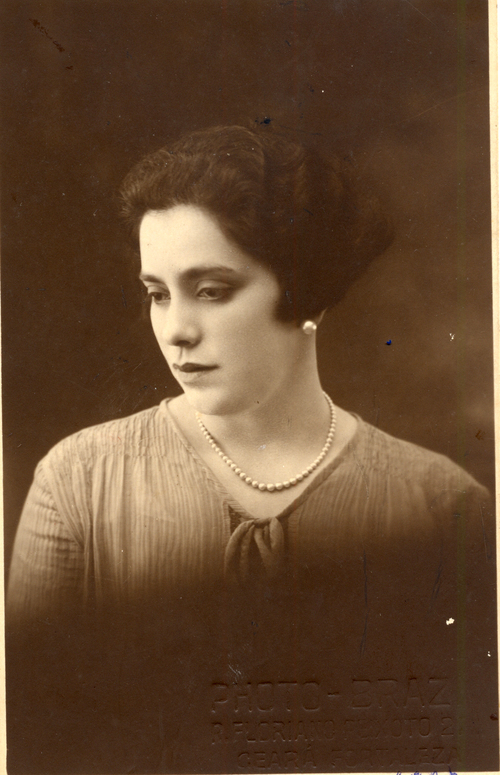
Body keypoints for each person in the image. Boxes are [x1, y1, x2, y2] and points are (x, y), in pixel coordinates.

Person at [6, 125, 497, 774]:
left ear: (304, 289)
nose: (176, 330)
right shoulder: (78, 481)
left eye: (211, 291)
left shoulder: (443, 505)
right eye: (157, 294)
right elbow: (33, 739)